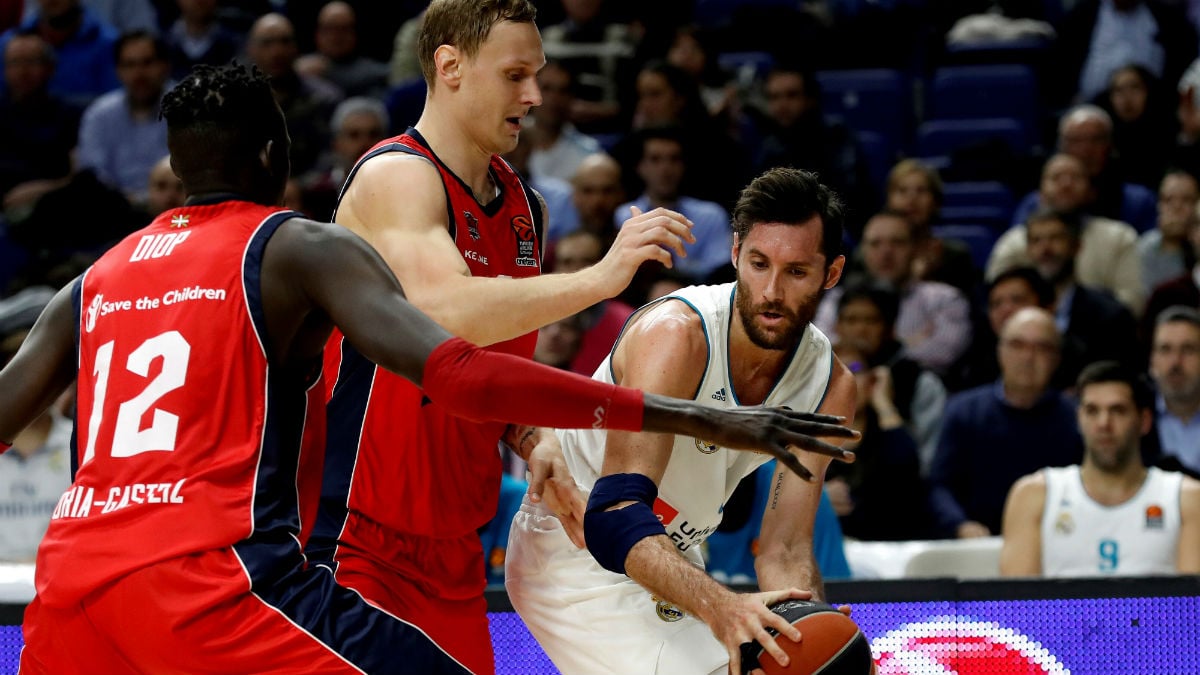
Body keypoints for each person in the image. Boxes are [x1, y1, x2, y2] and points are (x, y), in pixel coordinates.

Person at [2, 63, 854, 675]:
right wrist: (694, 415)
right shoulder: (292, 246)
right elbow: (462, 374)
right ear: (277, 154)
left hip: (71, 588)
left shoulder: (100, 274)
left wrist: (526, 433)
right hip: (216, 581)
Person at [305, 3, 735, 675]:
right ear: (450, 67)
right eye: (514, 75)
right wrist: (601, 276)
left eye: (535, 74)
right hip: (354, 536)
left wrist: (533, 438)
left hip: (455, 547)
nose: (533, 95)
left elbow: (486, 368)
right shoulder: (396, 177)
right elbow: (446, 312)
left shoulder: (524, 207)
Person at [506, 167, 858, 675]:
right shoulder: (677, 335)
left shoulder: (830, 386)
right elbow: (616, 515)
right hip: (574, 554)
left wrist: (812, 627)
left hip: (671, 560)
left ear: (832, 272)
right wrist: (723, 607)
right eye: (759, 264)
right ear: (735, 252)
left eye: (797, 272)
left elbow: (784, 548)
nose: (772, 292)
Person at [999, 360, 1200, 577]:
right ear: (1078, 419)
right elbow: (1017, 604)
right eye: (1092, 411)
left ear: (1144, 421)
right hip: (1063, 613)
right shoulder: (1035, 496)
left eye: (1118, 410)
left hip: (1151, 613)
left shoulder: (1186, 498)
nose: (1104, 423)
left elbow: (1192, 605)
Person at [929, 307, 1083, 538]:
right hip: (978, 544)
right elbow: (940, 486)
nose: (1028, 357)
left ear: (1056, 358)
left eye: (1041, 348)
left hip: (1058, 540)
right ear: (1000, 350)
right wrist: (959, 524)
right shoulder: (964, 411)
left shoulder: (1075, 417)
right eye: (1017, 345)